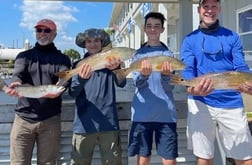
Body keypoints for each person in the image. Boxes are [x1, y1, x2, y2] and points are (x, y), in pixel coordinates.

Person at [180, 0, 252, 165]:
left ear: (219, 9)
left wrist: (249, 85)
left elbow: (241, 67)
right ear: (199, 10)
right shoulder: (190, 40)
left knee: (245, 156)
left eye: (214, 6)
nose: (209, 11)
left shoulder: (232, 36)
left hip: (231, 102)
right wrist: (192, 89)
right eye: (206, 7)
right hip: (201, 102)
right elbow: (188, 69)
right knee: (204, 156)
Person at [5, 19, 71, 164]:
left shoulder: (63, 58)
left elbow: (65, 77)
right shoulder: (24, 56)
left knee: (47, 162)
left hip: (50, 120)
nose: (42, 34)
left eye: (47, 30)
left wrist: (60, 86)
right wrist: (16, 82)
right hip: (23, 119)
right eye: (39, 30)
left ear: (54, 34)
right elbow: (18, 73)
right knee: (18, 162)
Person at [69, 28, 126, 165]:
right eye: (89, 41)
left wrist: (116, 69)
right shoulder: (78, 65)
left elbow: (122, 83)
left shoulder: (112, 61)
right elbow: (72, 92)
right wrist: (81, 79)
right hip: (83, 124)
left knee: (112, 162)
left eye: (96, 41)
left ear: (102, 43)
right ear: (84, 44)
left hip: (108, 123)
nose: (93, 44)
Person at [128, 12, 178, 165]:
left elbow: (170, 86)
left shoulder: (169, 55)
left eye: (157, 26)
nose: (153, 29)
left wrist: (166, 76)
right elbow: (137, 82)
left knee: (169, 158)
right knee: (143, 158)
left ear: (162, 29)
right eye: (149, 26)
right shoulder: (137, 55)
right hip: (142, 114)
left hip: (166, 114)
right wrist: (143, 75)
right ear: (144, 29)